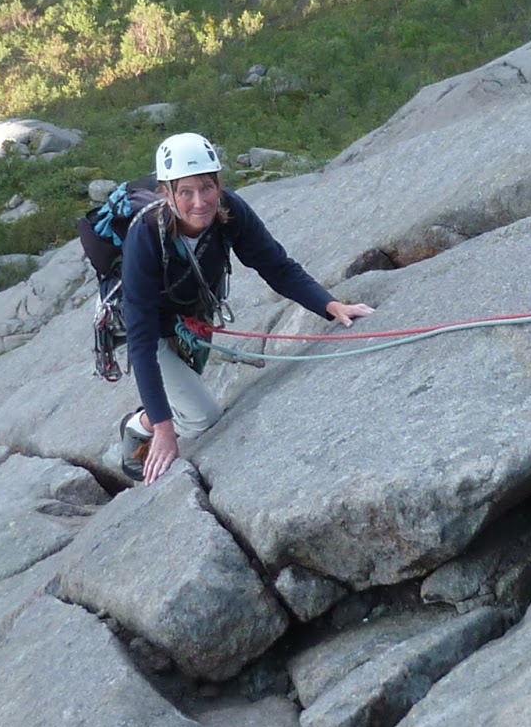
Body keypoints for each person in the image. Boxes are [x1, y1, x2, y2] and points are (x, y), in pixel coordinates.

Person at [117, 131, 374, 484]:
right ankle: (138, 425)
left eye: (206, 188)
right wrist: (162, 429)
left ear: (218, 183)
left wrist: (330, 306)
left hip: (191, 316)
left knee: (189, 399)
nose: (199, 202)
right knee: (200, 417)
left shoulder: (230, 211)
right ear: (167, 194)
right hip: (151, 329)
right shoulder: (145, 238)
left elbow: (276, 266)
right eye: (185, 192)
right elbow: (141, 341)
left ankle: (159, 410)